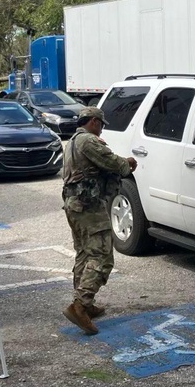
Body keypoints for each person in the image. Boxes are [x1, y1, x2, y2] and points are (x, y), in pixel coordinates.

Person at [60, 106, 137, 335]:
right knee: (102, 257)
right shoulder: (89, 141)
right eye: (101, 124)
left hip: (75, 206)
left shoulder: (72, 141)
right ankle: (80, 306)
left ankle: (84, 302)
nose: (101, 129)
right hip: (89, 209)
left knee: (84, 253)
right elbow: (116, 164)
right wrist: (128, 162)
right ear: (94, 122)